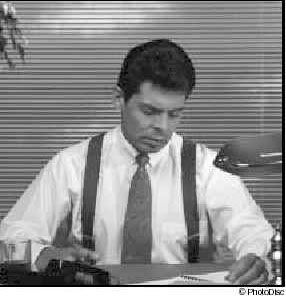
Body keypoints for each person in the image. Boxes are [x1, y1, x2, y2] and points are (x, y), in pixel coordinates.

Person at [0, 39, 273, 285]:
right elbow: (11, 239)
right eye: (150, 111)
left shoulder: (210, 169)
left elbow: (253, 233)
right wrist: (46, 256)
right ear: (119, 98)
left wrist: (258, 259)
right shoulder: (71, 164)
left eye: (174, 114)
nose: (162, 127)